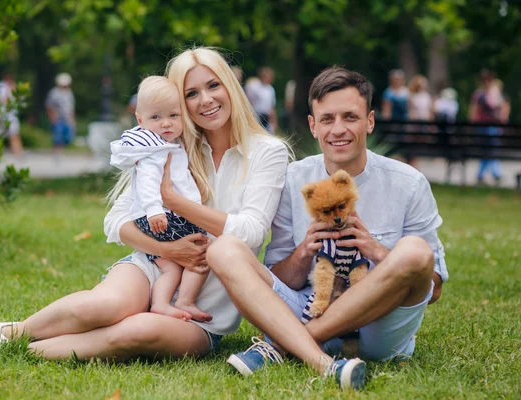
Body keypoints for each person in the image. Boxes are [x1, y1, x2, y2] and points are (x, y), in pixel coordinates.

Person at [0, 47, 289, 363]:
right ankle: (0, 336)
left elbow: (250, 232)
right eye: (191, 93)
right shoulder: (169, 146)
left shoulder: (266, 153)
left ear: (232, 86)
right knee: (102, 307)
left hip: (204, 312)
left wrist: (172, 200)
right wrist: (171, 250)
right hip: (150, 265)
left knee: (131, 332)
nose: (205, 100)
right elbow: (117, 221)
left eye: (213, 85)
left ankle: (19, 347)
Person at [206, 67, 448, 390]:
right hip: (310, 307)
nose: (339, 130)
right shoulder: (294, 179)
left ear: (370, 121)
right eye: (327, 119)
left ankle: (283, 346)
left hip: (377, 330)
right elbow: (279, 279)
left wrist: (375, 250)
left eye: (350, 117)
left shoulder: (409, 183)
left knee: (417, 251)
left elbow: (433, 288)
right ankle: (322, 362)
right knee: (223, 248)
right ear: (313, 126)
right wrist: (304, 252)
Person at [108, 76, 210, 322]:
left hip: (153, 217)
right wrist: (155, 209)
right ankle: (185, 300)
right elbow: (147, 181)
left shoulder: (167, 145)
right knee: (204, 250)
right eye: (156, 117)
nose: (166, 123)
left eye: (173, 116)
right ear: (140, 120)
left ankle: (161, 303)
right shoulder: (154, 150)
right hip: (160, 216)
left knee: (172, 267)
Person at [469, 69, 503, 185]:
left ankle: (483, 174)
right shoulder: (485, 94)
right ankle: (495, 173)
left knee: (488, 151)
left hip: (488, 127)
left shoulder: (486, 94)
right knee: (488, 150)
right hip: (487, 127)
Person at [45, 72, 76, 152]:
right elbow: (50, 107)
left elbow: (70, 107)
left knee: (68, 138)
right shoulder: (54, 93)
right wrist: (52, 119)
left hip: (67, 119)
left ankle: (61, 152)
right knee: (58, 138)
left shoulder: (69, 93)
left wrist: (72, 118)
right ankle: (57, 153)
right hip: (58, 119)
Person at [0, 72, 24, 157]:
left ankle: (18, 153)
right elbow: (3, 100)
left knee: (14, 134)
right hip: (2, 114)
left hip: (11, 115)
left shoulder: (13, 86)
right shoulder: (0, 87)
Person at [246, 67, 277, 133]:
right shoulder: (254, 86)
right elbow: (249, 101)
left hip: (266, 116)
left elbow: (271, 107)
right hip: (257, 114)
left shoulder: (270, 89)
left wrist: (274, 122)